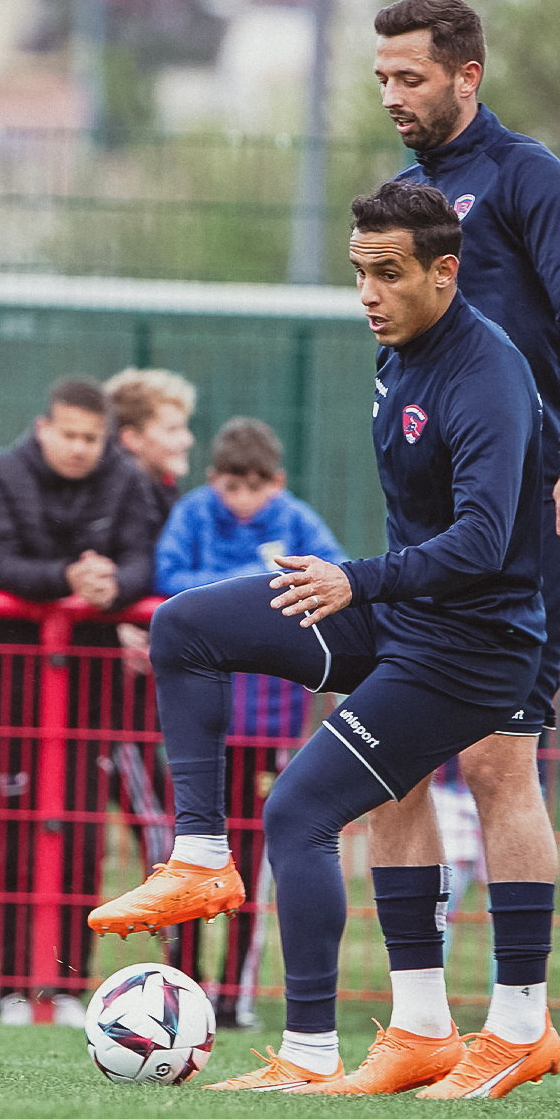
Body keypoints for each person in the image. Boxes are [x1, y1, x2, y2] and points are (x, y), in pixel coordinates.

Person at [92, 181, 560, 1098]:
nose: (368, 294)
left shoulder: (487, 376)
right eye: (358, 273)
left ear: (445, 271)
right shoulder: (400, 351)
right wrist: (369, 588)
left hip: (470, 648)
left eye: (389, 274)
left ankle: (311, 1051)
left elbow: (484, 539)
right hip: (404, 615)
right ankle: (200, 859)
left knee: (298, 813)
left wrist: (358, 579)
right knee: (182, 625)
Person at [345, 0, 560, 1086]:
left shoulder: (527, 177)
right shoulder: (408, 205)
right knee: (394, 762)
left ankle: (518, 1026)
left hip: (526, 516)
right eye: (382, 78)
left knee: (499, 760)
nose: (392, 95)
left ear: (467, 74)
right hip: (432, 524)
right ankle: (420, 1026)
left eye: (410, 77)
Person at [0, 378, 155, 1027]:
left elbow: (144, 559)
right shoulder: (2, 475)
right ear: (43, 428)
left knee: (82, 841)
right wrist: (66, 578)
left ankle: (62, 986)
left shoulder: (127, 481)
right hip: (13, 692)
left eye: (92, 437)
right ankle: (13, 986)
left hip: (92, 693)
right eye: (69, 434)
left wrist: (114, 586)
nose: (80, 447)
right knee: (16, 840)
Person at [153, 416, 345, 1031]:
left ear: (277, 482)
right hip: (200, 734)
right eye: (232, 486)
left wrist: (250, 598)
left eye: (255, 486)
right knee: (189, 857)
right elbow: (169, 579)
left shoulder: (297, 521)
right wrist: (251, 594)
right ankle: (182, 985)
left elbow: (336, 573)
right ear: (214, 479)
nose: (243, 499)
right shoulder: (192, 515)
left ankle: (235, 995)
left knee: (254, 861)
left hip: (268, 729)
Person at [103, 368, 197, 537]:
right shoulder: (119, 506)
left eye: (184, 427)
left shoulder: (165, 491)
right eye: (172, 429)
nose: (188, 440)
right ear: (131, 438)